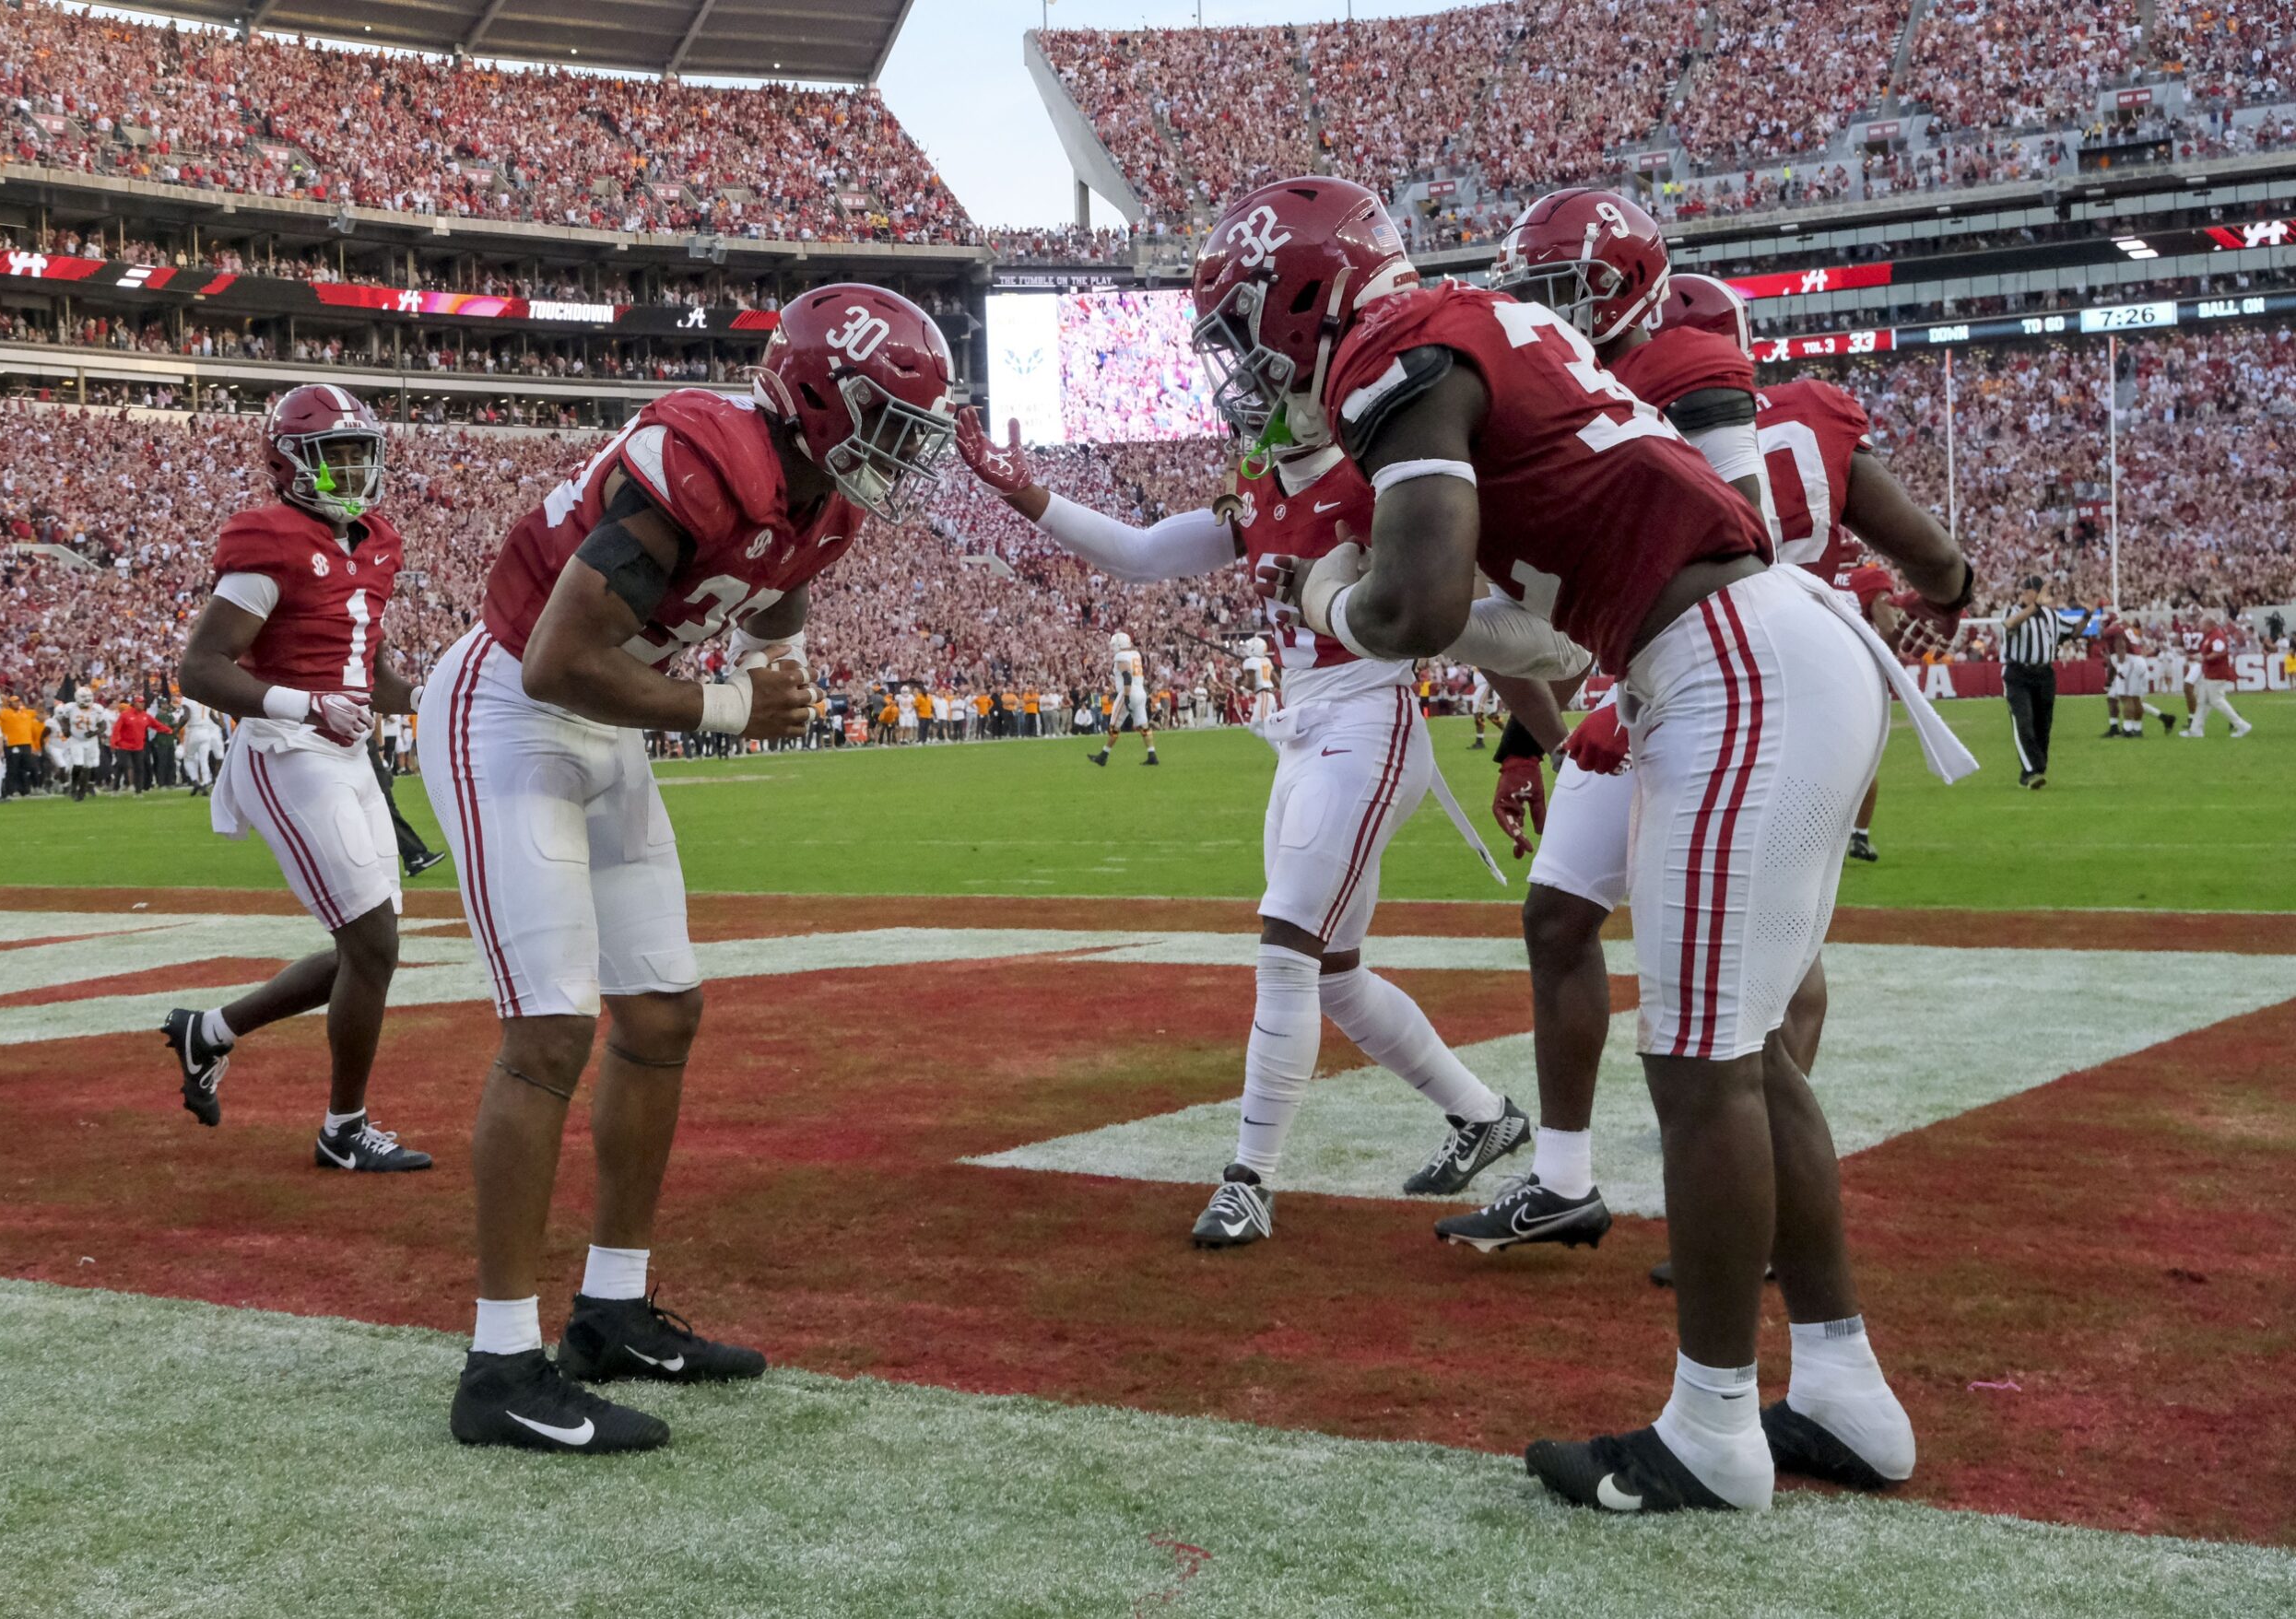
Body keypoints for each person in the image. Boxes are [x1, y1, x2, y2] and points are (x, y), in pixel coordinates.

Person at [1197, 175, 1966, 1512]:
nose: (1245, 360)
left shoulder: (1395, 349)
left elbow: (1424, 603)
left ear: (1303, 293)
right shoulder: (1486, 329)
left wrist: (1331, 587)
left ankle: (1714, 1430)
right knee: (1750, 1058)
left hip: (1728, 665)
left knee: (1702, 1064)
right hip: (1762, 646)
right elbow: (1537, 623)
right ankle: (1845, 1389)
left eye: (1243, 324)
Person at [418, 285, 957, 1456]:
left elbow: (784, 564)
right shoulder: (700, 456)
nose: (901, 450)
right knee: (549, 1033)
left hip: (605, 724)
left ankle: (610, 1311)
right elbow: (560, 658)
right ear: (817, 396)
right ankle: (499, 1361)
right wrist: (729, 703)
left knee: (661, 1013)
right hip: (511, 707)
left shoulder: (816, 494)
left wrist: (783, 659)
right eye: (889, 420)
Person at [1430, 263, 1973, 1295]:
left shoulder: (1670, 399)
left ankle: (1747, 1213)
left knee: (1742, 1010)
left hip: (1739, 678)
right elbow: (1930, 561)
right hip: (1660, 675)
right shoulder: (1601, 405)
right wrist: (1950, 590)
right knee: (1563, 917)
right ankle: (1568, 1176)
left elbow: (1722, 552)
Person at [957, 407, 1584, 1245]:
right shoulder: (1257, 487)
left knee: (1286, 944)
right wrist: (1026, 493)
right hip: (1301, 732)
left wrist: (1550, 745)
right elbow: (1143, 556)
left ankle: (1250, 1179)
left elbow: (1469, 627)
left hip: (1368, 718)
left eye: (1269, 372)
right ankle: (1484, 1116)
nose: (1254, 392)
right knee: (1334, 976)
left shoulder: (1377, 485)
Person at [162, 384, 430, 1174]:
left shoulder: (380, 539)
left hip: (347, 756)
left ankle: (208, 1030)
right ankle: (343, 1128)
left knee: (367, 948)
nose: (350, 469)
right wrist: (305, 704)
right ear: (288, 461)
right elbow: (200, 668)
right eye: (332, 454)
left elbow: (369, 672)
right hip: (284, 749)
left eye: (358, 452)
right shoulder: (267, 536)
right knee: (372, 941)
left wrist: (434, 700)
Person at [2002, 576, 2063, 787]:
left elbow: (2070, 632)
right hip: (2019, 673)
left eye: (2033, 590)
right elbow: (2010, 624)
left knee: (2043, 725)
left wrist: (2088, 615)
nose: (2024, 592)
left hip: (2045, 674)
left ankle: (2037, 768)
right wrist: (2035, 606)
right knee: (2023, 722)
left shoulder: (2050, 616)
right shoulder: (2013, 611)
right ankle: (2030, 771)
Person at [1092, 630, 1158, 765]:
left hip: (1129, 692)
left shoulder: (1121, 656)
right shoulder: (1135, 654)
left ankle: (1103, 756)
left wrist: (1126, 696)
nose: (1112, 648)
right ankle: (1152, 755)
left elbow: (1127, 675)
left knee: (1114, 726)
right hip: (1141, 692)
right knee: (1144, 725)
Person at [2182, 618, 2253, 739]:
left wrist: (2204, 659)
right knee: (2203, 701)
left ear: (2208, 625)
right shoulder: (2210, 636)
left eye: (2201, 624)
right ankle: (2196, 730)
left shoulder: (2217, 636)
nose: (2199, 626)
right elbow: (2209, 653)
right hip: (2209, 673)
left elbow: (2220, 652)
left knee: (2217, 701)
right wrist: (2195, 656)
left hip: (2217, 674)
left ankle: (2242, 725)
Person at [2098, 614, 2151, 738]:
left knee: (2126, 697)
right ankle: (2137, 729)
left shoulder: (2115, 630)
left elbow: (2120, 645)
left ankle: (2127, 730)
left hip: (2128, 662)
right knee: (2135, 698)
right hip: (2138, 661)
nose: (2102, 627)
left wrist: (2121, 667)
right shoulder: (2123, 625)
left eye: (2103, 624)